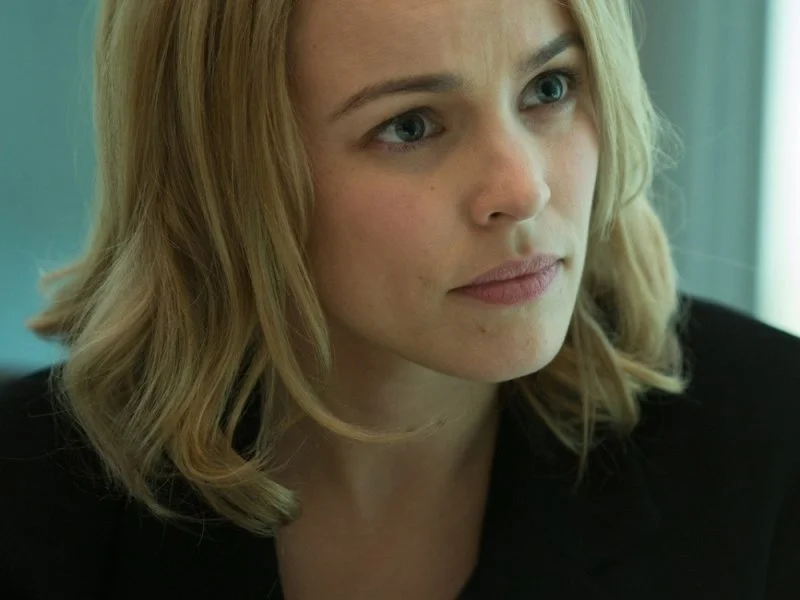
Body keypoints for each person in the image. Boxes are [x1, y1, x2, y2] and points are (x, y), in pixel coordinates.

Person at [1, 0, 798, 598]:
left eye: (550, 87)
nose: (523, 189)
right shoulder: (28, 496)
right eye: (411, 126)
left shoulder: (772, 443)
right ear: (225, 174)